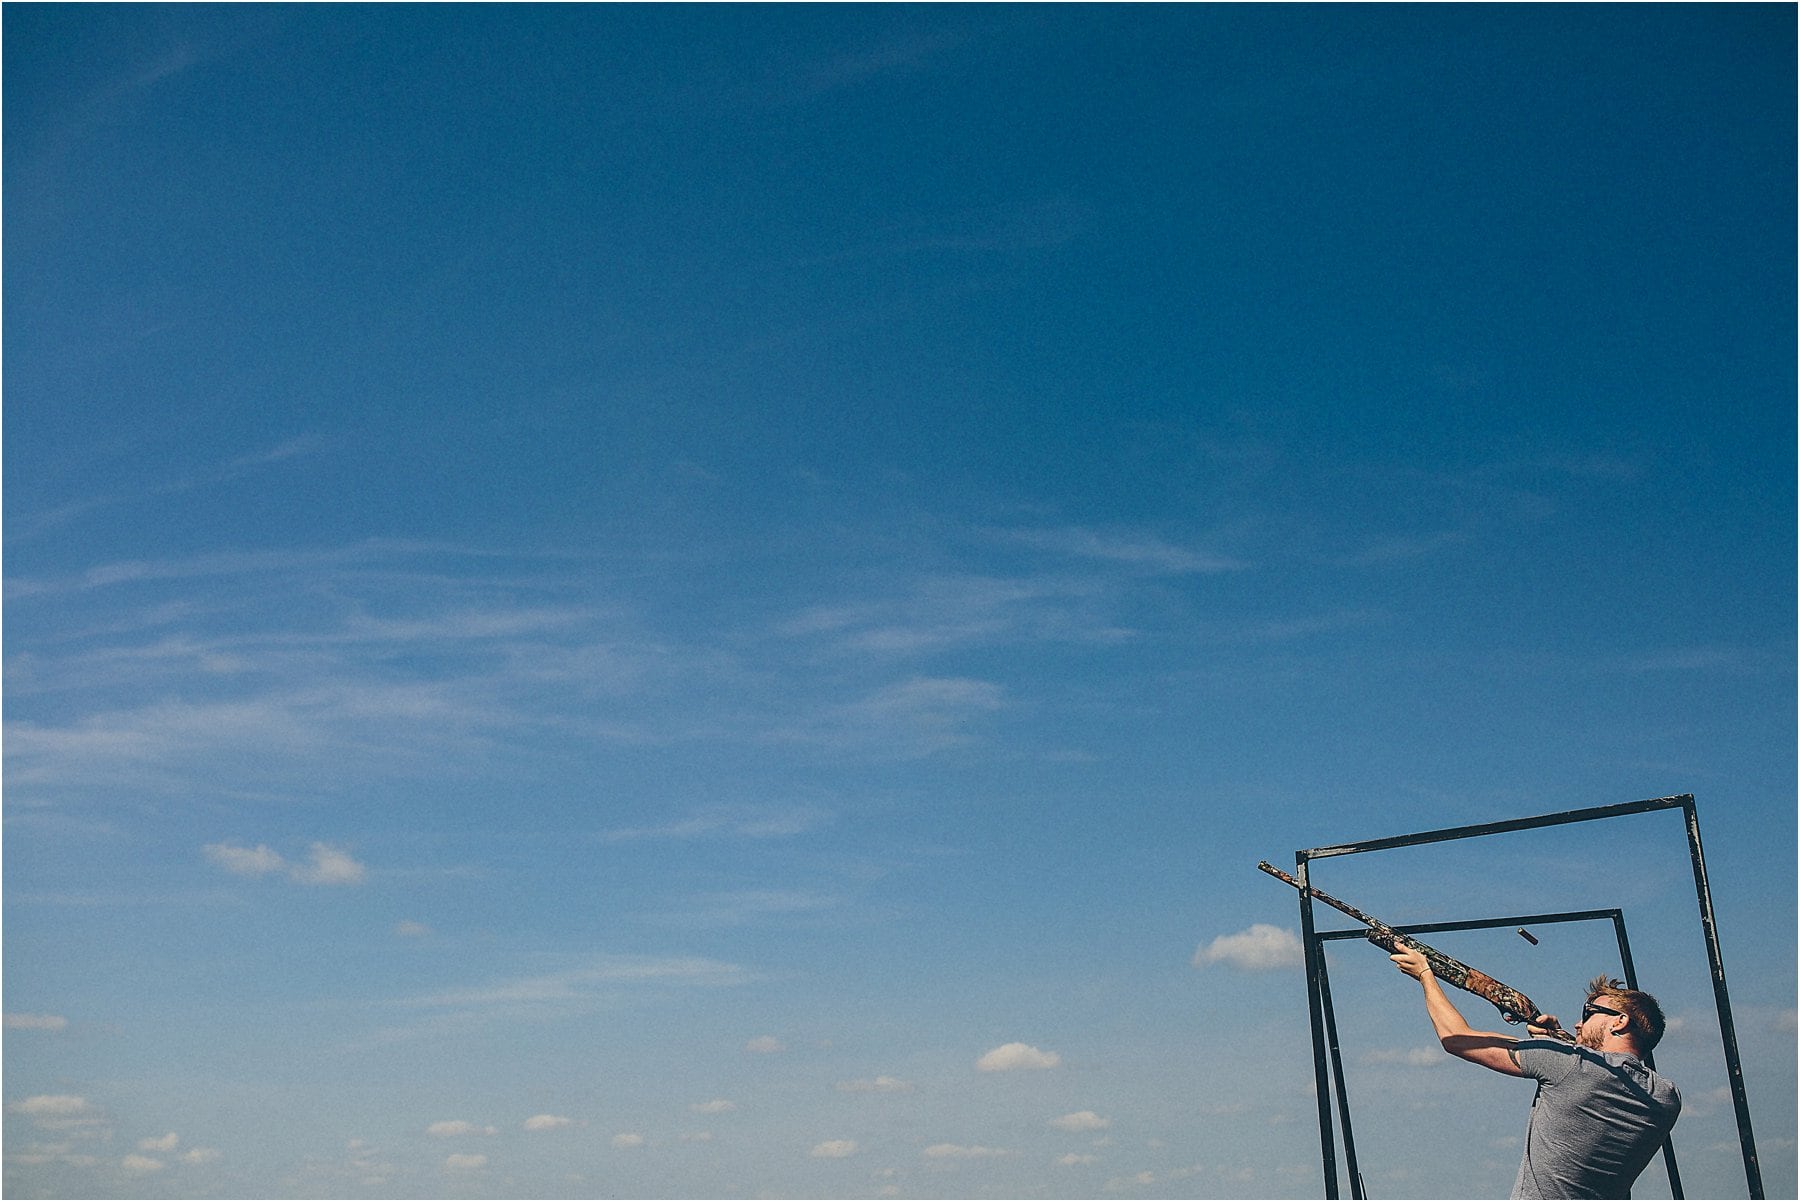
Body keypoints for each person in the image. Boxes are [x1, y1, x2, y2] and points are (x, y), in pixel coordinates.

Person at [1390, 945, 1681, 1199]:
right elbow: (1607, 1070)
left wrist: (1425, 974)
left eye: (1588, 1014)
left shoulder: (1569, 1065)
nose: (1578, 1024)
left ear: (1619, 1022)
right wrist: (1561, 1039)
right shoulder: (1666, 1098)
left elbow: (1455, 1037)